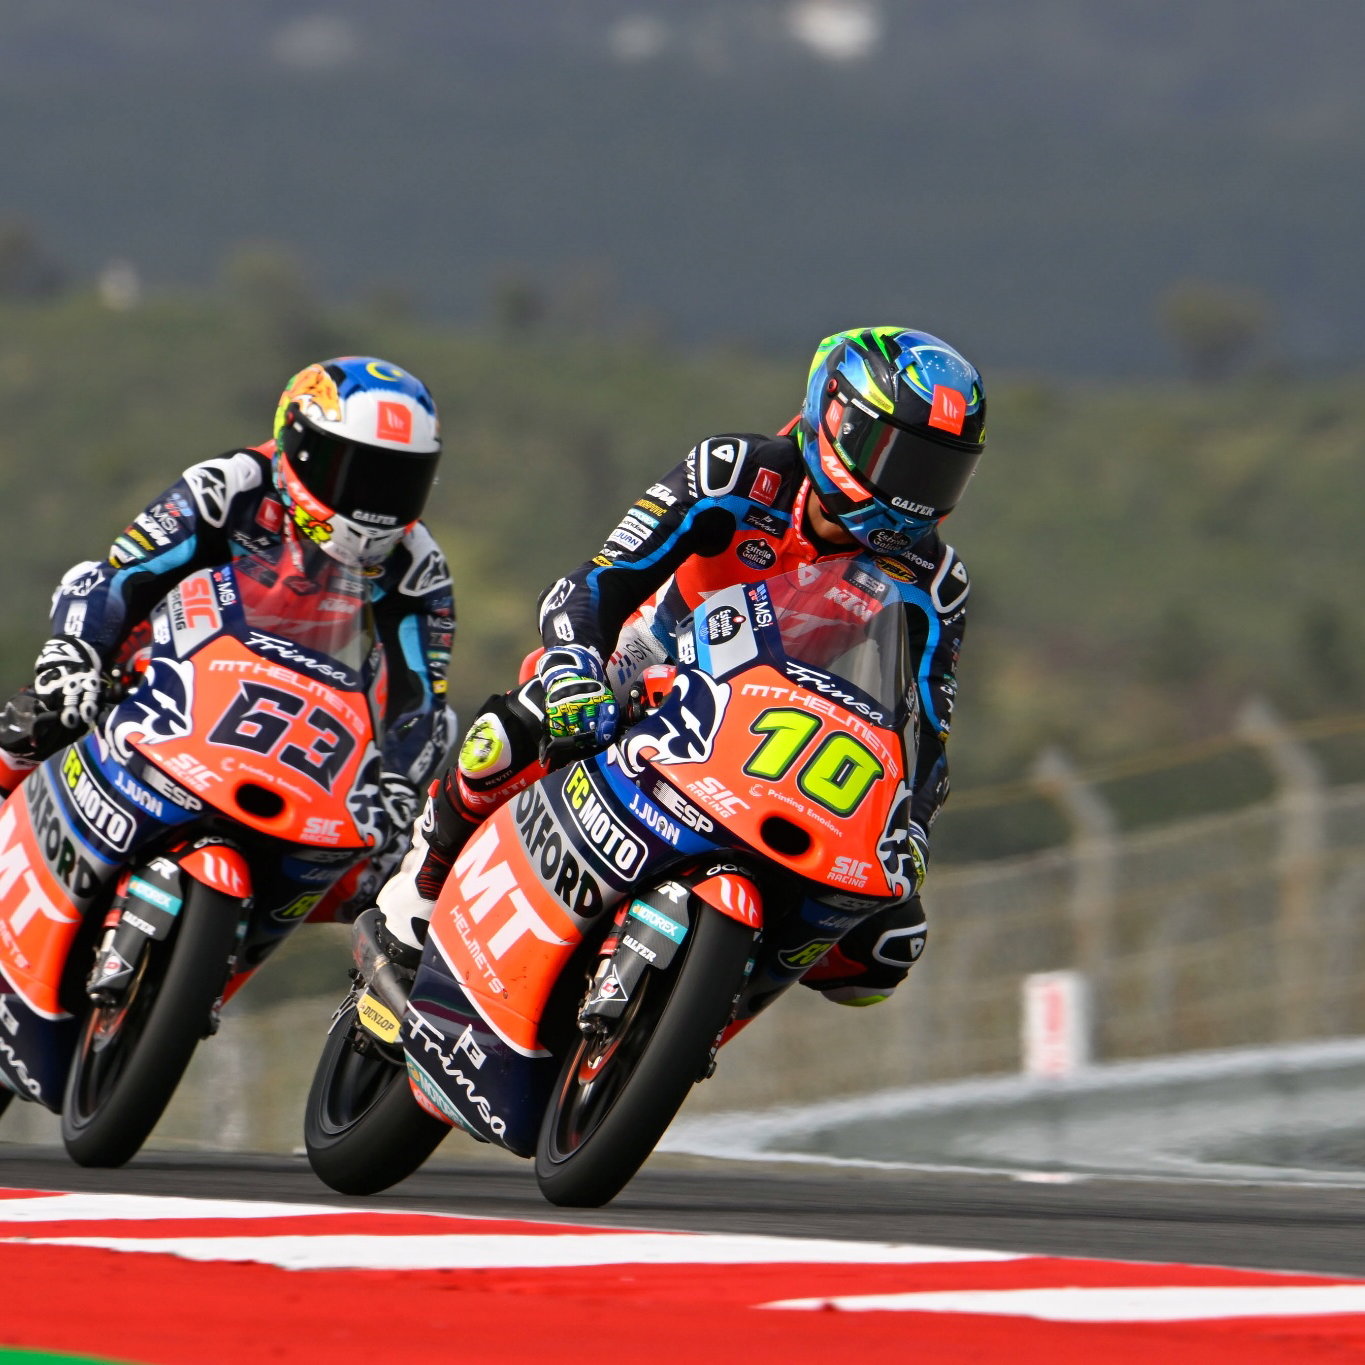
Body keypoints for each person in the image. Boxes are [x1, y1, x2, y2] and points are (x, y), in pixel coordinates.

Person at [375, 326, 985, 1005]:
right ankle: (420, 894)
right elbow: (599, 578)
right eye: (902, 460)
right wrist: (576, 662)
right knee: (513, 731)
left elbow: (926, 731)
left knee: (884, 947)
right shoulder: (734, 472)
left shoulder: (933, 581)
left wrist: (913, 830)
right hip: (649, 668)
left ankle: (704, 1009)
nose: (914, 494)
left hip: (779, 740)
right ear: (836, 417)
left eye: (937, 472)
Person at [0, 356, 458, 905]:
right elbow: (120, 577)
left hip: (295, 733)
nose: (375, 503)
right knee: (40, 719)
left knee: (386, 875)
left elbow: (422, 703)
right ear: (298, 445)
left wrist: (397, 790)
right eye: (356, 471)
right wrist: (75, 657)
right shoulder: (230, 485)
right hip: (161, 677)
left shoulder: (417, 566)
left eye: (399, 481)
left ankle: (365, 985)